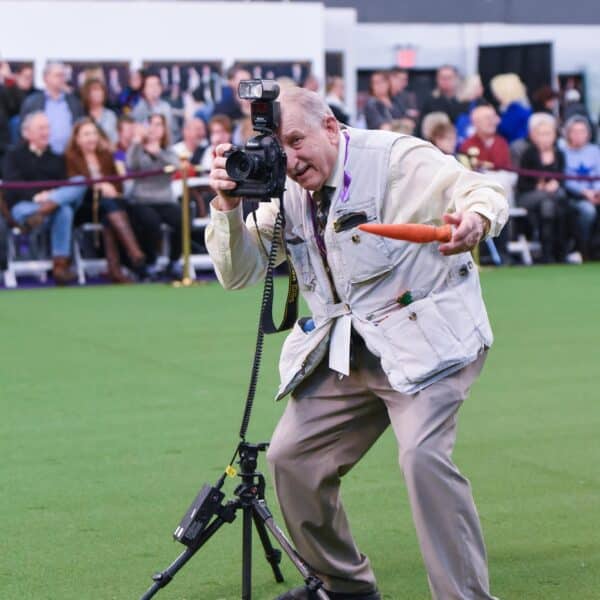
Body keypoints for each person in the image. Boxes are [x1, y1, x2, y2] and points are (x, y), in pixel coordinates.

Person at [206, 86, 508, 600]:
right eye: (281, 147)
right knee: (290, 457)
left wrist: (475, 221)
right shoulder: (284, 187)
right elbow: (237, 274)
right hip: (351, 346)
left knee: (422, 457)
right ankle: (342, 585)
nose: (292, 158)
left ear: (331, 127)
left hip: (429, 341)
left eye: (297, 140)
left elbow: (479, 188)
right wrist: (226, 203)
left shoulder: (395, 157)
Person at [2, 112, 86, 284]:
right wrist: (38, 196)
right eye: (41, 128)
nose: (46, 132)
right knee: (63, 209)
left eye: (47, 128)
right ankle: (60, 264)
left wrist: (52, 198)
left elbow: (64, 186)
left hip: (46, 211)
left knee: (79, 184)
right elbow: (13, 186)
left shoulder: (57, 158)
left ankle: (59, 266)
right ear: (27, 133)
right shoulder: (13, 156)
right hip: (24, 208)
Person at [65, 117, 148, 282]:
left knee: (109, 211)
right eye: (86, 134)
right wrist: (98, 187)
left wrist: (109, 188)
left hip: (107, 206)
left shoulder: (106, 155)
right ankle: (134, 252)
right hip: (84, 206)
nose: (91, 138)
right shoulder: (70, 158)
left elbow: (119, 186)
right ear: (77, 138)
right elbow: (73, 186)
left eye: (94, 133)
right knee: (110, 207)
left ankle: (115, 270)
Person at [126, 113, 182, 276]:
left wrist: (158, 153)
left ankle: (174, 261)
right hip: (142, 200)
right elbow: (131, 164)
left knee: (181, 219)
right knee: (151, 223)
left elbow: (177, 166)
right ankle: (151, 261)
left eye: (159, 125)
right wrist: (137, 142)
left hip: (165, 199)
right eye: (151, 124)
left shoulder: (168, 151)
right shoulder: (138, 149)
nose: (154, 129)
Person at [516, 113, 570, 263]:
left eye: (548, 133)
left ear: (554, 135)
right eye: (541, 134)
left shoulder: (560, 154)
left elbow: (564, 179)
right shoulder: (528, 154)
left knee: (549, 205)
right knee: (555, 198)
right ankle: (554, 252)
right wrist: (539, 186)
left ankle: (549, 253)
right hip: (529, 197)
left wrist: (556, 184)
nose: (545, 138)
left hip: (551, 199)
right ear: (534, 136)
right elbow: (522, 185)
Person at [19, 62, 84, 154]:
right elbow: (23, 131)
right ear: (46, 78)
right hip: (40, 156)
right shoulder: (32, 102)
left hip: (69, 156)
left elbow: (80, 127)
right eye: (57, 75)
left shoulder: (74, 102)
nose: (61, 79)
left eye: (63, 76)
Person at [561, 115, 600, 259]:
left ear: (588, 134)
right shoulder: (562, 152)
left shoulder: (595, 151)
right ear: (568, 134)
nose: (578, 135)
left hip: (596, 194)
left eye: (582, 131)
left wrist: (596, 191)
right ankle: (583, 248)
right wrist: (585, 192)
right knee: (587, 211)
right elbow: (565, 179)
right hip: (574, 196)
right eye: (575, 131)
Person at [132, 71, 181, 144]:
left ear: (161, 88)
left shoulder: (166, 107)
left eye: (157, 85)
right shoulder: (138, 109)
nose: (154, 88)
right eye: (151, 86)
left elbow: (174, 132)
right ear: (144, 90)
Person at [460, 105, 512, 171]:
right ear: (475, 123)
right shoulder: (467, 145)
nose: (492, 122)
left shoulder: (502, 142)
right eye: (487, 118)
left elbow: (507, 169)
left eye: (493, 118)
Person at [490, 73, 532, 144]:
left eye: (495, 91)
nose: (494, 94)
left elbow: (504, 129)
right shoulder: (520, 107)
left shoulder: (516, 109)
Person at [80, 78, 119, 146]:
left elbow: (115, 141)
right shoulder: (82, 116)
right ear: (87, 94)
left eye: (100, 90)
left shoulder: (110, 115)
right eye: (94, 90)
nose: (98, 93)